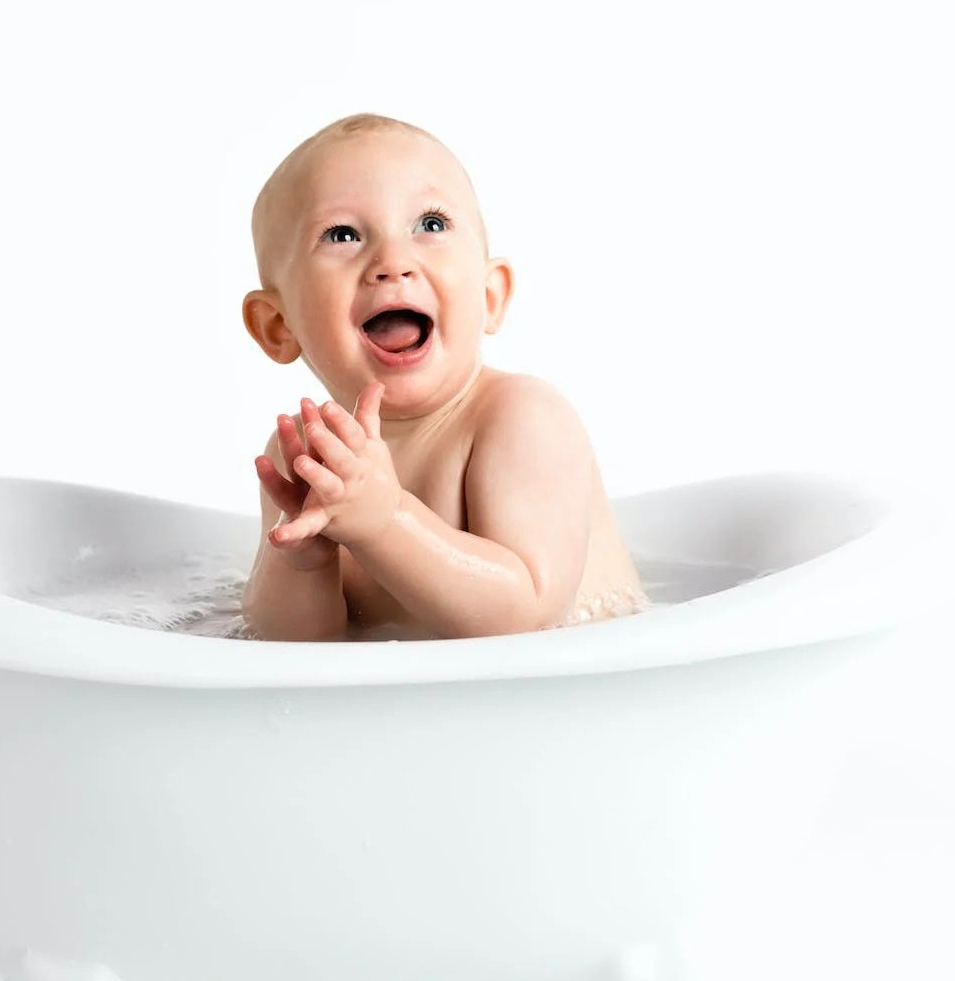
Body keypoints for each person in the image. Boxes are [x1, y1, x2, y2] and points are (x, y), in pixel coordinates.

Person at [240, 112, 651, 642]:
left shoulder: (520, 419)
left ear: (489, 296)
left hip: (579, 693)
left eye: (430, 225)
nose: (393, 261)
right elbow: (291, 646)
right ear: (278, 326)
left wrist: (386, 521)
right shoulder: (305, 454)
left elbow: (529, 616)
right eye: (343, 235)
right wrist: (302, 565)